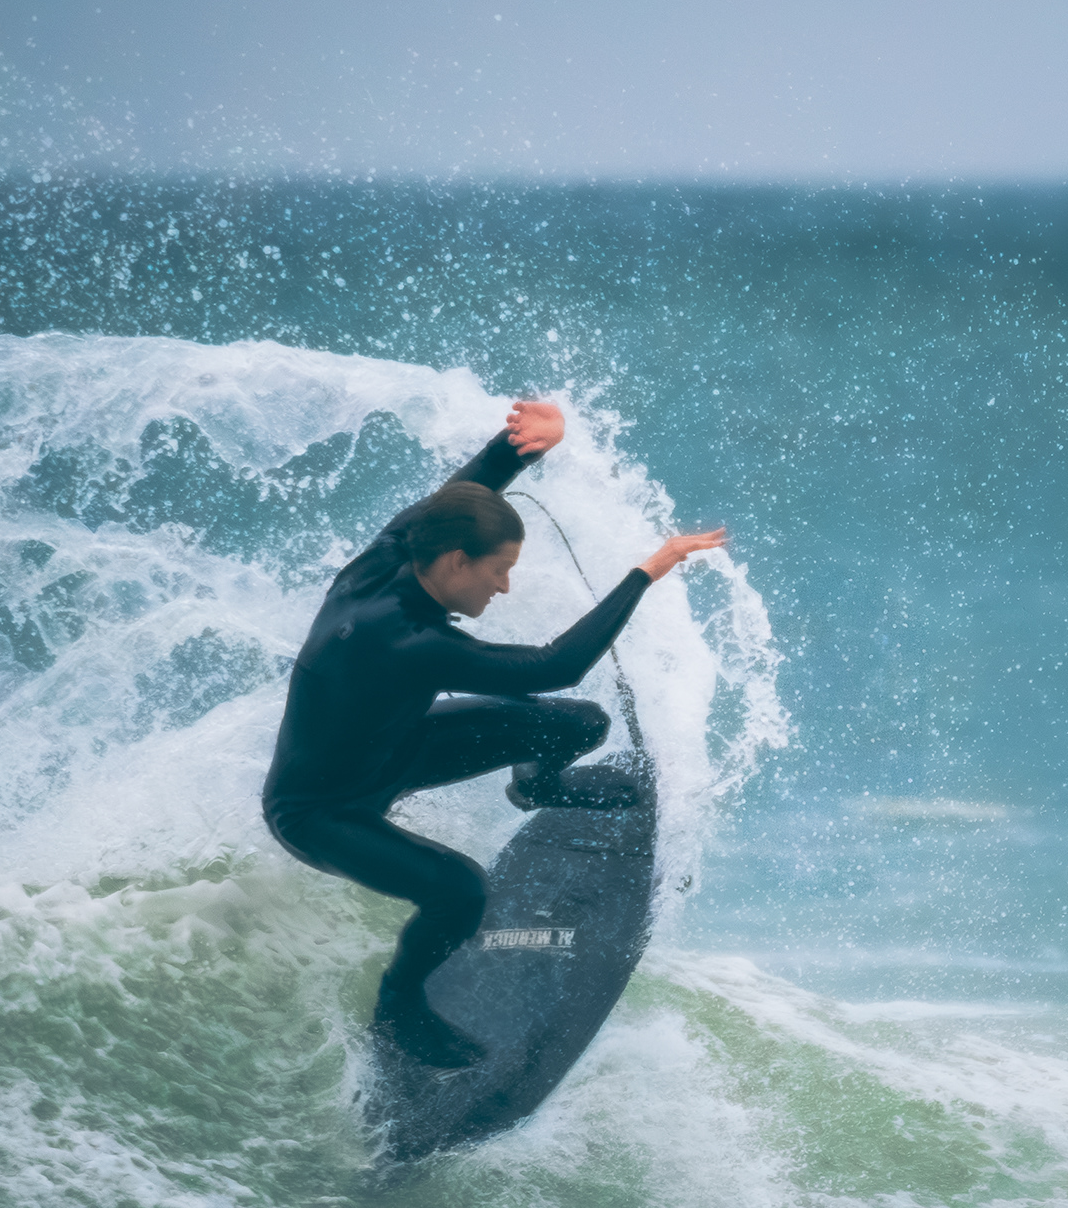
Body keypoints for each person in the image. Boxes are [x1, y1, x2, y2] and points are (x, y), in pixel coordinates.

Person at [261, 398, 725, 1070]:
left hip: (396, 749)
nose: (505, 586)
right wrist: (648, 570)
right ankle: (399, 1007)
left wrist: (522, 447)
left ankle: (537, 787)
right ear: (455, 563)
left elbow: (460, 496)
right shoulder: (400, 640)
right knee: (461, 890)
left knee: (578, 726)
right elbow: (555, 665)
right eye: (497, 569)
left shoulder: (400, 550)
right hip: (320, 811)